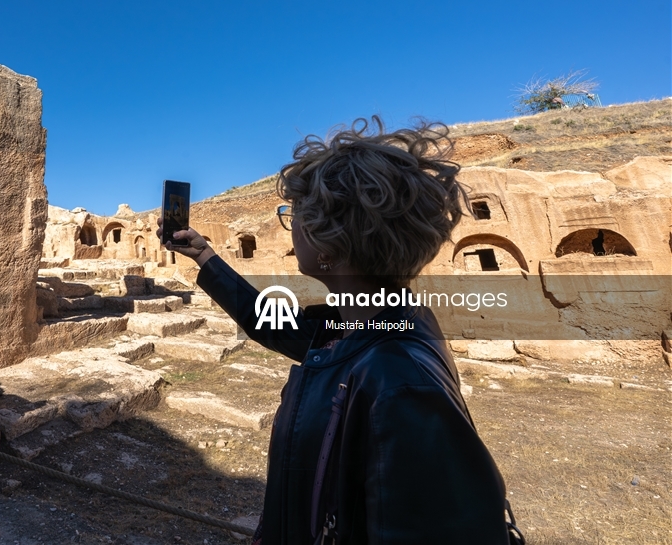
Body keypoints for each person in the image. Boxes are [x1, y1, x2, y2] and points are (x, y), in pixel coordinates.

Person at [158, 117, 519, 545]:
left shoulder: (400, 385)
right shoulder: (369, 319)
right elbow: (268, 323)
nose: (290, 227)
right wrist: (204, 256)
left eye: (295, 215)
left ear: (329, 243)